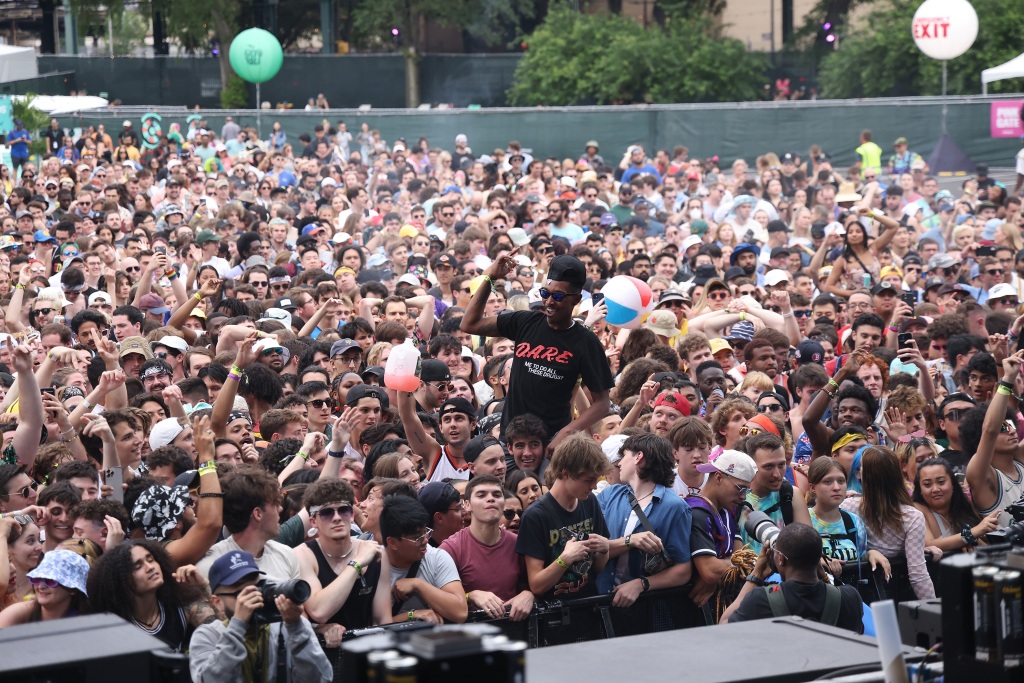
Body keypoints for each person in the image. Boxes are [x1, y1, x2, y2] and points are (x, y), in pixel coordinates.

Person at [461, 254, 614, 453]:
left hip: (551, 444)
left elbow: (602, 403)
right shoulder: (525, 322)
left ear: (576, 299)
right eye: (545, 293)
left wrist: (566, 433)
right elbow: (469, 324)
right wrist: (489, 277)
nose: (549, 301)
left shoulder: (585, 342)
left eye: (558, 296)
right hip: (511, 440)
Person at [189, 550, 333, 683]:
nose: (252, 596)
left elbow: (322, 679)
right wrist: (238, 625)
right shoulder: (207, 635)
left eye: (255, 586)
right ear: (218, 602)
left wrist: (296, 627)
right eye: (240, 592)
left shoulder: (287, 627)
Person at [596, 434, 692, 605]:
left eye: (624, 455)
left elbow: (683, 570)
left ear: (638, 457)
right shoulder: (610, 495)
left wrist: (641, 584)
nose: (619, 463)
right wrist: (629, 541)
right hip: (601, 600)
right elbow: (593, 548)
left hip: (644, 608)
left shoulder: (675, 507)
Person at [516, 433, 611, 601]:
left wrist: (604, 550)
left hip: (589, 607)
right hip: (553, 615)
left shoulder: (590, 502)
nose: (594, 486)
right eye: (588, 480)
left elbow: (596, 568)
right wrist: (565, 559)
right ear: (565, 473)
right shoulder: (535, 516)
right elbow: (537, 585)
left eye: (596, 480)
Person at [721, 523, 864, 632]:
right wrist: (825, 579)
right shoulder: (850, 598)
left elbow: (724, 626)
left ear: (781, 559)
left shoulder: (761, 600)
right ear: (819, 559)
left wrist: (755, 576)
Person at [296, 478, 391, 631]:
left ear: (352, 515)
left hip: (367, 646)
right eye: (327, 513)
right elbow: (319, 611)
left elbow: (382, 621)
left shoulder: (377, 554)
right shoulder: (303, 555)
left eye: (343, 510)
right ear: (313, 521)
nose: (337, 518)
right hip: (323, 649)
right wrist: (357, 564)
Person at [88, 540, 217, 652]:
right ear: (121, 581)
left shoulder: (183, 604)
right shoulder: (115, 627)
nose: (150, 567)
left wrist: (203, 585)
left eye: (151, 560)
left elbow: (224, 632)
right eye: (138, 566)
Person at [439, 475, 535, 621]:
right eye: (481, 495)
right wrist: (470, 595)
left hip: (513, 631)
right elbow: (437, 598)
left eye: (497, 495)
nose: (491, 499)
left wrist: (529, 594)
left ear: (503, 504)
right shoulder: (451, 548)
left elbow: (536, 584)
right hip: (469, 635)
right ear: (467, 505)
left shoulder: (518, 543)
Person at [381, 495, 468, 624]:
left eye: (425, 532)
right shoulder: (373, 566)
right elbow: (370, 625)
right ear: (392, 542)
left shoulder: (436, 557)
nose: (425, 540)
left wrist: (418, 584)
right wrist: (411, 615)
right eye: (417, 537)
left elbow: (460, 613)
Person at [686, 449, 756, 609]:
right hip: (692, 611)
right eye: (740, 488)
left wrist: (721, 575)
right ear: (718, 477)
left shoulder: (727, 509)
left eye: (747, 490)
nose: (744, 496)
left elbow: (742, 557)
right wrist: (720, 574)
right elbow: (710, 570)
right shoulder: (697, 512)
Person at [0, 549, 90, 626]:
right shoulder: (20, 612)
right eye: (37, 579)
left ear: (72, 589)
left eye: (50, 581)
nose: (40, 586)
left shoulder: (86, 622)